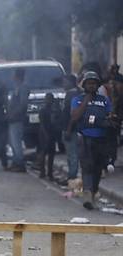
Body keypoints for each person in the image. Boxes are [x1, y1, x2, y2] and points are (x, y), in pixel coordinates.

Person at [67, 71, 113, 210]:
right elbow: (74, 116)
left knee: (97, 169)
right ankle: (87, 194)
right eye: (89, 83)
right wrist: (86, 100)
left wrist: (109, 121)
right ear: (84, 85)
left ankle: (92, 192)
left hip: (101, 139)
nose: (92, 86)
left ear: (98, 85)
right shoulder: (78, 99)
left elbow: (109, 115)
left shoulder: (104, 100)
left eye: (94, 84)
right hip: (85, 138)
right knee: (87, 166)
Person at [7, 68, 29, 172]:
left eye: (13, 75)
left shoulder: (23, 88)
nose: (12, 77)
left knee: (16, 143)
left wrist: (14, 113)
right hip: (13, 119)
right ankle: (16, 162)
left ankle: (20, 164)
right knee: (13, 142)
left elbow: (23, 104)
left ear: (17, 76)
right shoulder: (17, 87)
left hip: (17, 119)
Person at [61, 74, 81, 182]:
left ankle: (72, 176)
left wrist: (69, 129)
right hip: (67, 127)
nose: (63, 84)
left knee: (72, 154)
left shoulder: (73, 95)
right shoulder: (69, 94)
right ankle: (71, 175)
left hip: (71, 129)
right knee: (69, 154)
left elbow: (73, 115)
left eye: (65, 81)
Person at [37, 93, 61, 179]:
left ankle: (49, 172)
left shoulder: (54, 110)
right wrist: (45, 134)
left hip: (52, 133)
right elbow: (42, 124)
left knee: (51, 153)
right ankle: (42, 171)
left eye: (50, 99)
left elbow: (57, 121)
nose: (49, 101)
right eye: (48, 99)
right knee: (43, 152)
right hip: (44, 133)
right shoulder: (43, 110)